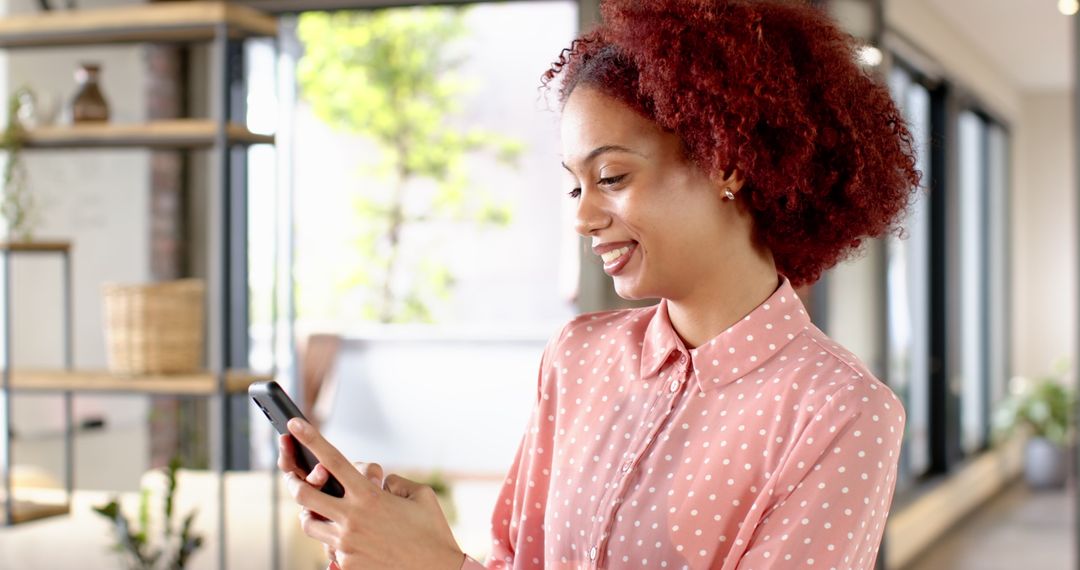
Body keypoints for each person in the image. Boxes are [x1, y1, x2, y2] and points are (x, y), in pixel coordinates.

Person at [278, 0, 920, 568]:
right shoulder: (578, 358)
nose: (583, 217)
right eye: (575, 186)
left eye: (611, 178)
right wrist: (390, 547)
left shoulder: (842, 412)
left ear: (727, 162)